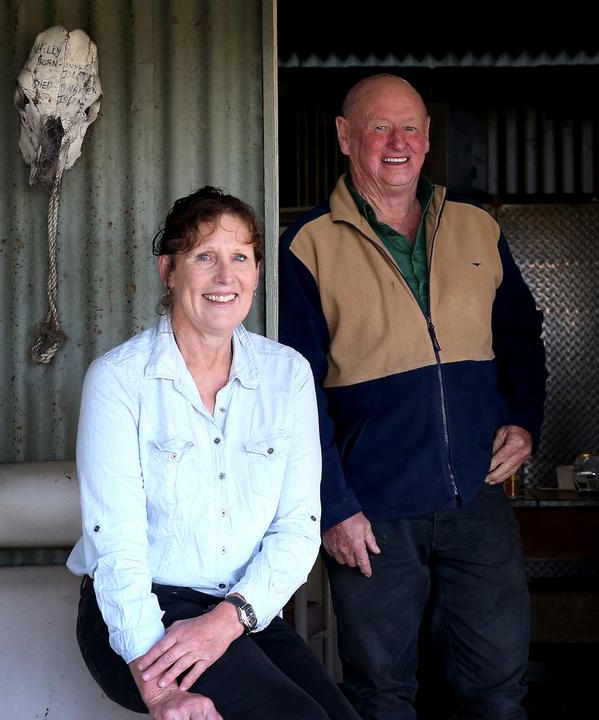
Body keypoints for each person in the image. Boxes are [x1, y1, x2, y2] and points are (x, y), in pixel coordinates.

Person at [278, 74, 546, 719]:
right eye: (378, 127)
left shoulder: (476, 226)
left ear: (427, 139)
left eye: (411, 128)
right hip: (373, 514)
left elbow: (519, 333)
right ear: (346, 137)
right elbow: (293, 390)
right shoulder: (307, 246)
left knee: (498, 690)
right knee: (382, 694)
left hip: (476, 497)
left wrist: (523, 420)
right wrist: (334, 505)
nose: (396, 143)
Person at [67, 187, 358, 720]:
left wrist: (227, 621)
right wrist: (159, 687)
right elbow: (116, 545)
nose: (226, 277)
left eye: (239, 258)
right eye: (205, 257)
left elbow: (298, 526)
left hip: (240, 612)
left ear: (256, 272)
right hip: (142, 611)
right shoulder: (119, 380)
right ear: (169, 270)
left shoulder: (286, 374)